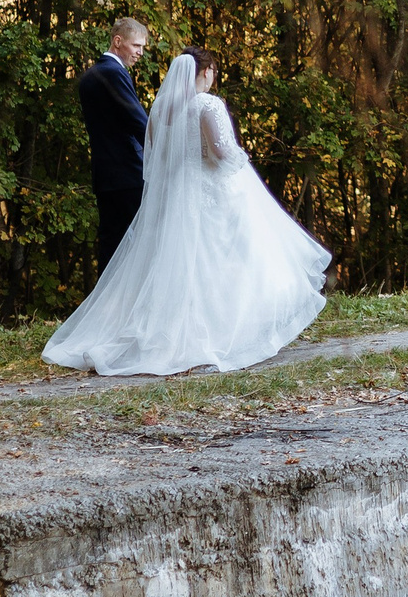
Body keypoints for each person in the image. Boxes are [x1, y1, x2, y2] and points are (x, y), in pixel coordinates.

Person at [42, 48, 331, 375]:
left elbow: (155, 159)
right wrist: (242, 157)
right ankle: (226, 331)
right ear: (205, 71)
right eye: (214, 73)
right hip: (210, 190)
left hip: (175, 194)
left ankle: (170, 332)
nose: (213, 80)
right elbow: (221, 154)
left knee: (177, 265)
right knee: (225, 257)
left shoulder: (160, 108)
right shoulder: (208, 104)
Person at [77, 17, 150, 271]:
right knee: (138, 246)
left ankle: (106, 308)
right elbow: (139, 123)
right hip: (127, 173)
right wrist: (165, 150)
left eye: (143, 47)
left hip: (106, 174)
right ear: (118, 41)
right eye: (136, 46)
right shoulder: (113, 72)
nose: (140, 53)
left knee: (111, 248)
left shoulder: (91, 75)